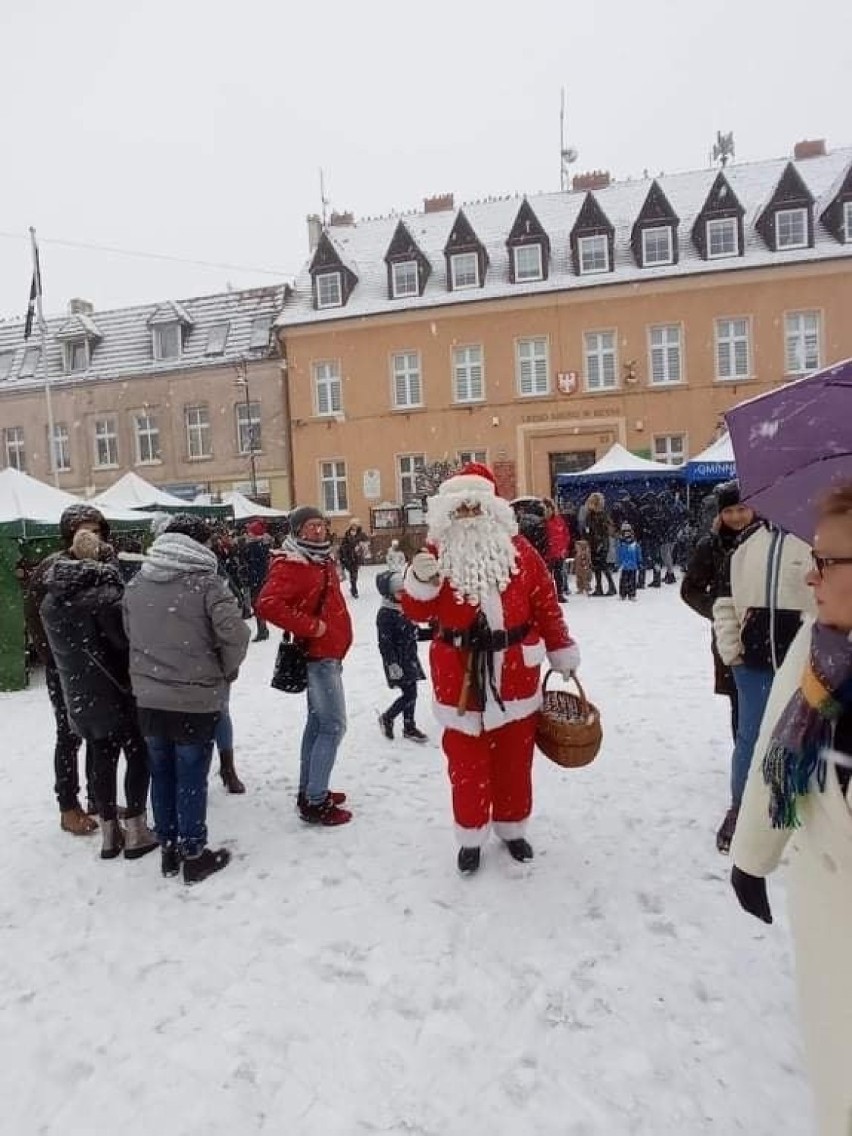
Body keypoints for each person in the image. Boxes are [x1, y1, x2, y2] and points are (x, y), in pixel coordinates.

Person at [730, 483, 852, 1136]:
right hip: (829, 928)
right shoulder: (819, 653)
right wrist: (752, 859)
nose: (811, 572)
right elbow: (774, 765)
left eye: (828, 560)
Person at [400, 463, 579, 874]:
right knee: (466, 767)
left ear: (491, 509)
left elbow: (546, 605)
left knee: (515, 761)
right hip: (459, 678)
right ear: (448, 514)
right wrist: (419, 582)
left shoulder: (520, 552)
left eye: (474, 509)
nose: (468, 518)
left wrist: (560, 647)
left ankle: (513, 829)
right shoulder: (435, 554)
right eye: (460, 511)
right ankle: (471, 834)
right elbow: (415, 611)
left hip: (516, 673)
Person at [123, 515, 250, 884]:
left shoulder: (137, 584)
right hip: (194, 697)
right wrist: (224, 671)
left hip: (149, 697)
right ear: (197, 544)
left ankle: (168, 847)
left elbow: (132, 634)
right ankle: (193, 852)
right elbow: (237, 635)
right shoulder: (208, 584)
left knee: (161, 773)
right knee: (191, 774)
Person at [40, 528, 157, 861]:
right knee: (137, 755)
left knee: (101, 758)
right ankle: (136, 829)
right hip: (117, 692)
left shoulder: (52, 600)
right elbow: (124, 643)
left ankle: (109, 833)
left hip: (79, 693)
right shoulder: (104, 597)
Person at [712, 501, 814, 853]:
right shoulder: (746, 545)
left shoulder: (816, 542)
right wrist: (732, 651)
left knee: (800, 739)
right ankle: (740, 809)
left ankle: (791, 814)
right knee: (750, 739)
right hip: (752, 664)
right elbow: (724, 602)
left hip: (804, 663)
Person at [255, 506, 354, 825]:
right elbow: (267, 604)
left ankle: (309, 789)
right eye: (310, 526)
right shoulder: (292, 563)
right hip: (317, 655)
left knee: (317, 724)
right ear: (297, 531)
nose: (318, 531)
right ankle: (315, 801)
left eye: (320, 525)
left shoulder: (321, 558)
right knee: (333, 725)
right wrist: (313, 627)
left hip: (330, 653)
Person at [24, 504, 107, 836]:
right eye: (82, 530)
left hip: (100, 666)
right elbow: (35, 619)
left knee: (99, 734)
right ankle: (68, 806)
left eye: (96, 530)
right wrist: (57, 660)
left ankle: (97, 797)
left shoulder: (102, 563)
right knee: (69, 736)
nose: (90, 536)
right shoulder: (51, 568)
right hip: (67, 669)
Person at [681, 481, 755, 742]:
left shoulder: (768, 541)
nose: (735, 516)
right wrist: (719, 610)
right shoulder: (710, 545)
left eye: (741, 509)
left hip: (768, 634)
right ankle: (744, 764)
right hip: (730, 636)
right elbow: (690, 589)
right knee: (740, 703)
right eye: (728, 511)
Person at [376, 569, 429, 743]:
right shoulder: (385, 614)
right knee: (410, 694)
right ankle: (388, 717)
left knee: (412, 692)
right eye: (400, 592)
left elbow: (415, 633)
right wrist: (392, 663)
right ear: (389, 593)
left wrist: (437, 633)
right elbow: (385, 643)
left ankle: (409, 727)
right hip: (397, 661)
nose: (404, 595)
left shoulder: (405, 609)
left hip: (410, 657)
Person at [242, 519, 272, 641]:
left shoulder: (253, 547)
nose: (247, 534)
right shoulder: (264, 546)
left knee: (257, 605)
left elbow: (254, 565)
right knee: (258, 606)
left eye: (249, 532)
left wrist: (248, 574)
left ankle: (262, 630)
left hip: (256, 580)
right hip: (261, 579)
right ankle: (263, 629)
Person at [583, 492, 616, 596]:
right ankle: (600, 587)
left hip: (600, 543)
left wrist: (599, 542)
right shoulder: (592, 515)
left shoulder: (600, 516)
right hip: (595, 543)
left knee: (602, 565)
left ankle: (611, 587)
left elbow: (603, 531)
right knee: (597, 566)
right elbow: (588, 530)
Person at [543, 498, 571, 601]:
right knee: (547, 576)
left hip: (558, 553)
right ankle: (549, 595)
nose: (548, 511)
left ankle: (559, 594)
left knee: (558, 575)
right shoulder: (542, 522)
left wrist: (564, 547)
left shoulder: (559, 520)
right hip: (547, 554)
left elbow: (565, 534)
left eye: (549, 509)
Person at [338, 519, 369, 598]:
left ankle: (354, 589)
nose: (354, 526)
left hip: (355, 558)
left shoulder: (361, 534)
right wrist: (347, 548)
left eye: (355, 525)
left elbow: (366, 542)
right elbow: (343, 545)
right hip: (347, 557)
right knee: (349, 574)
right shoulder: (347, 533)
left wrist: (360, 546)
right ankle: (352, 588)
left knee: (354, 575)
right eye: (352, 525)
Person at [616, 522, 643, 600]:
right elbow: (619, 554)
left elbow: (638, 553)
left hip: (633, 566)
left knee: (632, 581)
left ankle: (632, 594)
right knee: (623, 581)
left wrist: (640, 561)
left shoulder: (635, 543)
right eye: (625, 532)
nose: (627, 534)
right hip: (624, 566)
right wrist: (618, 563)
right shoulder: (621, 544)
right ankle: (622, 594)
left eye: (628, 532)